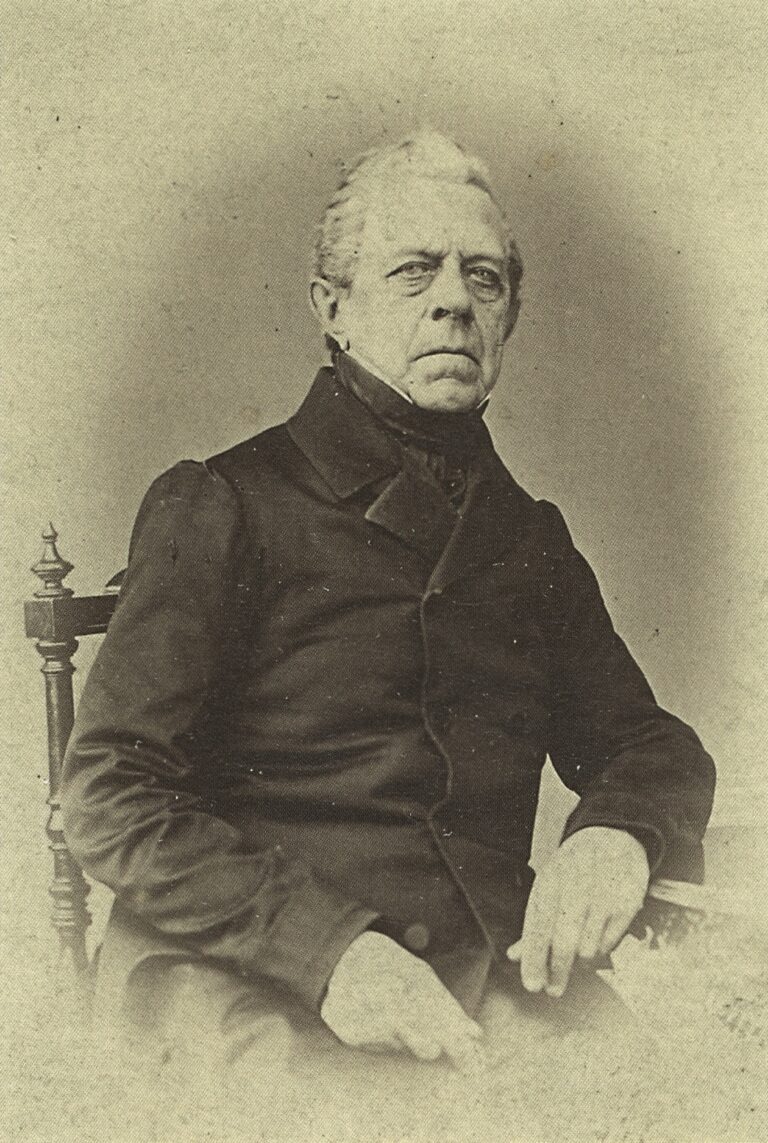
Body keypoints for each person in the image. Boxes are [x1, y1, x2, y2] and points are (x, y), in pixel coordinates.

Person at [61, 132, 715, 1097]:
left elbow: (649, 744)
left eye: (484, 277)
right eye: (414, 270)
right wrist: (328, 951)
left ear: (510, 315)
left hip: (478, 972)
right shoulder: (225, 502)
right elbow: (108, 792)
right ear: (332, 307)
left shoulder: (528, 536)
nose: (455, 300)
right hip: (246, 974)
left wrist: (618, 831)